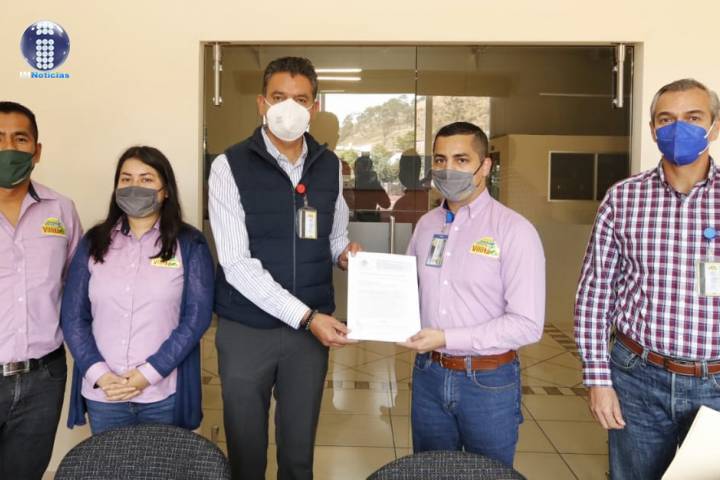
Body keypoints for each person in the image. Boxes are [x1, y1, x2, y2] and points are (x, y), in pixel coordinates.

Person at [208, 56, 361, 480]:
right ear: (261, 103)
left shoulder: (329, 166)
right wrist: (306, 317)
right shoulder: (229, 166)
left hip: (307, 336)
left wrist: (345, 255)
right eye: (278, 97)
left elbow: (333, 235)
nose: (288, 108)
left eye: (300, 99)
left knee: (298, 455)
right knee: (246, 454)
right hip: (247, 329)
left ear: (314, 107)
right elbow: (236, 264)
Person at [575, 78, 720, 480]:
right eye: (666, 119)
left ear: (714, 127)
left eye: (693, 118)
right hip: (637, 376)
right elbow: (594, 293)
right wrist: (598, 379)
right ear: (653, 130)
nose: (679, 128)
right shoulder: (623, 198)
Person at [401, 121, 545, 467]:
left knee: (488, 473)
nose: (448, 169)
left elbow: (527, 325)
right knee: (431, 472)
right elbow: (406, 290)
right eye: (440, 160)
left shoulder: (514, 230)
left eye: (461, 160)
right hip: (429, 374)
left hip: (487, 381)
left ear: (485, 166)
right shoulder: (426, 225)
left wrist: (447, 337)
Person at [61, 146, 214, 434]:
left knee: (163, 462)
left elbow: (197, 318)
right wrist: (99, 374)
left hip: (163, 393)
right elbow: (72, 316)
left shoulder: (189, 243)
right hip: (105, 394)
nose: (135, 187)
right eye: (126, 179)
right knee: (109, 462)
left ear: (165, 190)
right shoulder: (94, 242)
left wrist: (148, 373)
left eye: (146, 179)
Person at [0, 101, 82, 479]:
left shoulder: (61, 210)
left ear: (37, 150)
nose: (9, 148)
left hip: (43, 378)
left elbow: (77, 287)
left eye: (20, 139)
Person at [392, 149, 428, 225]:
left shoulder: (402, 204)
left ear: (405, 171)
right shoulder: (430, 200)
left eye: (401, 169)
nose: (399, 174)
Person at [352, 153, 390, 221]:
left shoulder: (373, 186)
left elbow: (386, 204)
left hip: (369, 221)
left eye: (365, 169)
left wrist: (375, 184)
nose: (362, 172)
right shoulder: (351, 185)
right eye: (359, 169)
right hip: (354, 220)